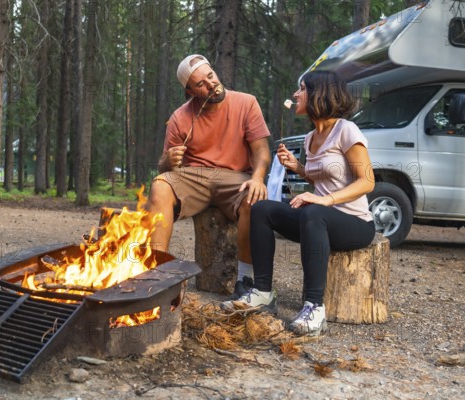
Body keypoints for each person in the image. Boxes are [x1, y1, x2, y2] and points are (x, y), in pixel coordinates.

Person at [222, 70, 375, 335]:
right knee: (261, 208)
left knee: (313, 212)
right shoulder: (309, 138)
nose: (295, 95)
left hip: (355, 223)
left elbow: (367, 182)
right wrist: (299, 168)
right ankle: (262, 292)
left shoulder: (346, 130)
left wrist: (324, 201)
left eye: (302, 89)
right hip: (318, 219)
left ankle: (314, 308)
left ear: (319, 93)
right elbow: (324, 179)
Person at [146, 54, 271, 297]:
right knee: (159, 186)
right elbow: (164, 168)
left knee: (252, 199)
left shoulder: (246, 103)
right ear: (190, 91)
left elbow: (262, 151)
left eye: (210, 76)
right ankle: (156, 272)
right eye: (201, 84)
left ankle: (245, 279)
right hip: (195, 177)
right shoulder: (180, 118)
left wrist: (257, 178)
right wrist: (168, 161)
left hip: (236, 177)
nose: (211, 84)